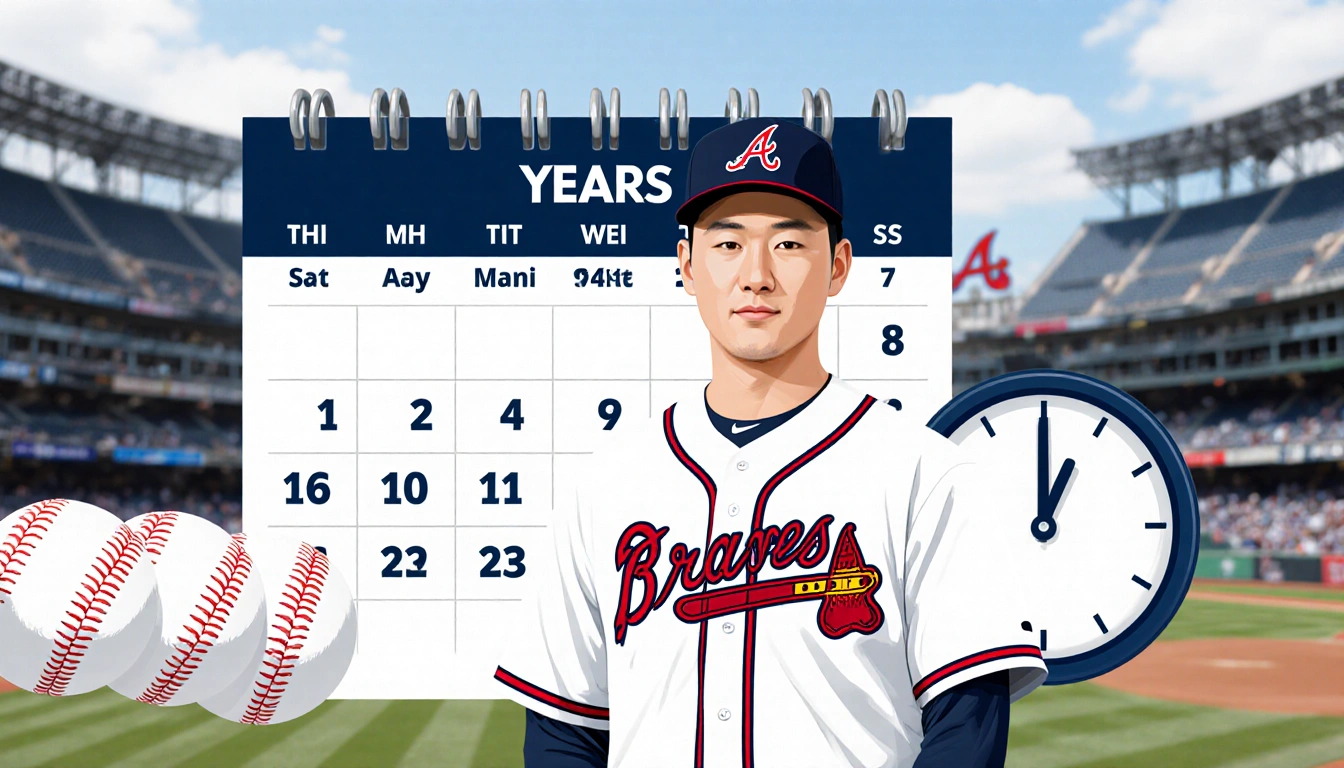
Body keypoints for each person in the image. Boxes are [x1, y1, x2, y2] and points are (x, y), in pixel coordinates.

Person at [496, 118, 1045, 767]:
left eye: (789, 244)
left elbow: (967, 733)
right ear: (687, 266)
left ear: (838, 267)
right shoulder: (606, 485)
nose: (756, 275)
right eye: (727, 244)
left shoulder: (925, 475)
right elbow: (565, 732)